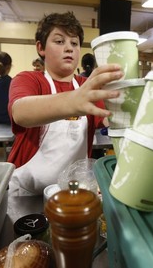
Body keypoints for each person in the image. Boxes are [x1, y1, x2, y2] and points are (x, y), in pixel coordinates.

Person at [7, 12, 122, 196]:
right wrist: (74, 100)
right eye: (59, 41)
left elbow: (111, 120)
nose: (69, 48)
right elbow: (20, 112)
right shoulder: (29, 80)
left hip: (71, 191)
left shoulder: (87, 86)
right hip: (26, 194)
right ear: (41, 47)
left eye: (74, 43)